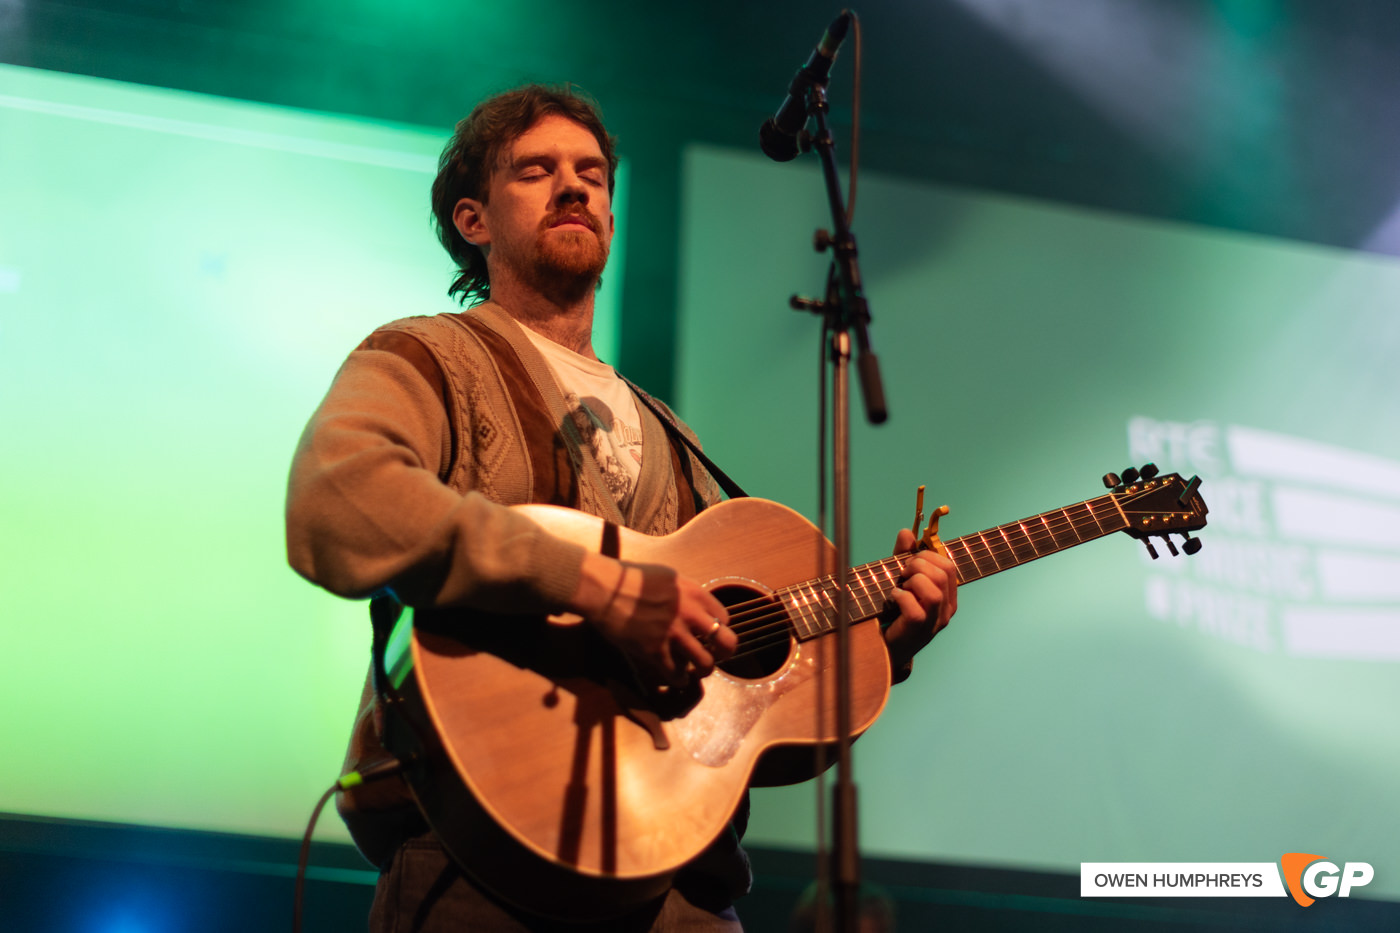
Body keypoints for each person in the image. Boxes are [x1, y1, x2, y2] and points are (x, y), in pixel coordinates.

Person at [285, 84, 958, 932]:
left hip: (683, 892)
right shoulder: (428, 356)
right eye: (537, 170)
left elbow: (739, 718)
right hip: (477, 872)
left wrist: (882, 654)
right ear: (473, 220)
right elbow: (336, 504)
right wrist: (601, 587)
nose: (575, 187)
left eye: (592, 173)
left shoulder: (674, 440)